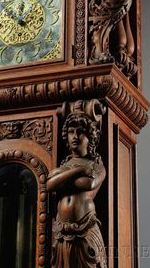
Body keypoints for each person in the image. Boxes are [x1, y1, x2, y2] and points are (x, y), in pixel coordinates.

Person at [47, 112, 107, 268]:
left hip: (85, 227)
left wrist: (61, 175)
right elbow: (49, 185)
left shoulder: (96, 163)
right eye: (71, 132)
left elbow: (90, 184)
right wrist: (78, 170)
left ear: (89, 137)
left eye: (80, 132)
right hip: (61, 230)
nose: (75, 136)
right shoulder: (69, 164)